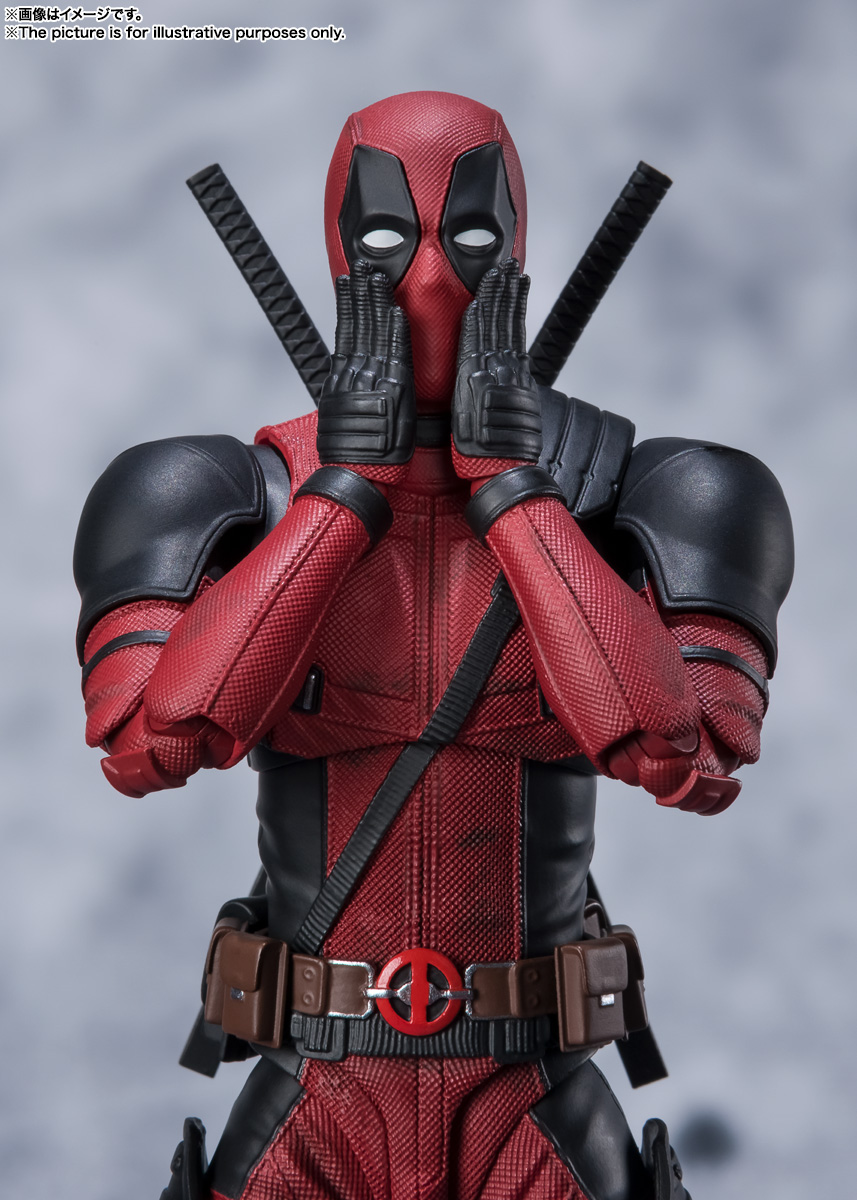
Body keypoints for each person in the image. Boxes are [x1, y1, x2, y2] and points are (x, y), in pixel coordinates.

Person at [74, 92, 793, 1200]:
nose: (426, 279)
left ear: (517, 248)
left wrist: (514, 491)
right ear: (333, 251)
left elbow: (678, 758)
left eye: (469, 236)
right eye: (381, 236)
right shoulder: (219, 495)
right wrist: (341, 495)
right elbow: (149, 745)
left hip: (534, 1103)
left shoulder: (645, 494)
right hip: (309, 1099)